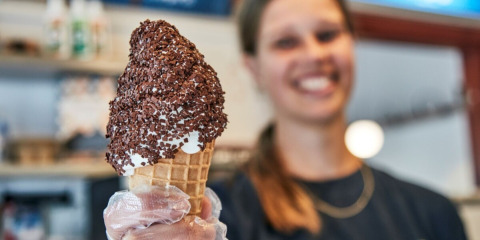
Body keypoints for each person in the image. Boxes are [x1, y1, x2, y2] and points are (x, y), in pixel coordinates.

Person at [104, 0, 468, 239]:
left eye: (327, 35)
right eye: (286, 42)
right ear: (253, 67)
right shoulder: (210, 219)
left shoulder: (432, 213)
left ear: (352, 43)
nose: (313, 54)